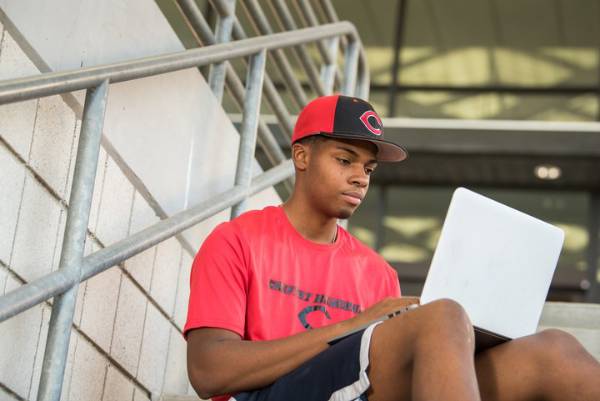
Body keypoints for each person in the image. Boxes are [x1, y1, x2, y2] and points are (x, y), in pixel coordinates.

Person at [185, 95, 600, 401]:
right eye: (344, 160)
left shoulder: (376, 272)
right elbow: (208, 371)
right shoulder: (237, 240)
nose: (360, 178)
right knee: (444, 315)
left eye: (367, 168)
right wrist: (355, 325)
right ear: (301, 156)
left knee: (555, 351)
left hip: (362, 391)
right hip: (269, 396)